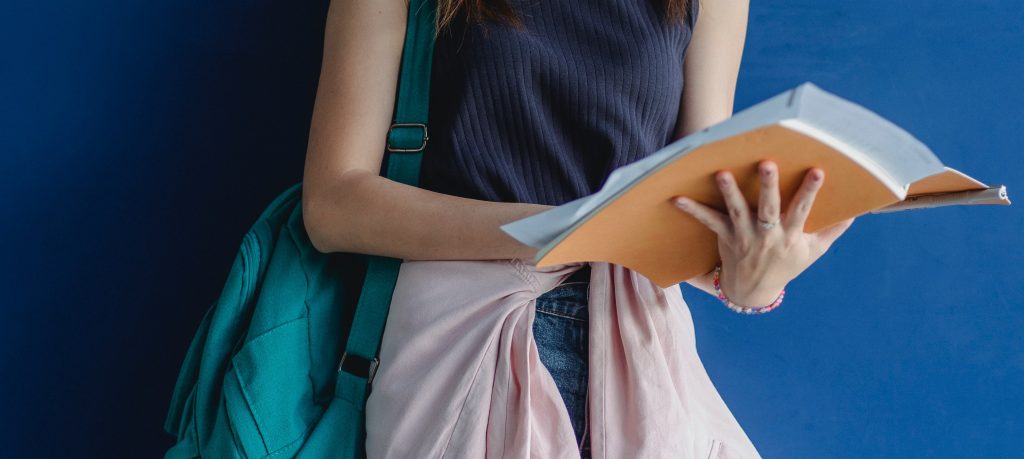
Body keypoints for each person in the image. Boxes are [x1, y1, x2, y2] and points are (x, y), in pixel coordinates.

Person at [301, 0, 856, 456]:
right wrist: (562, 227)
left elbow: (696, 213)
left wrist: (753, 282)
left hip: (643, 352)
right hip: (464, 348)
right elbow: (333, 205)